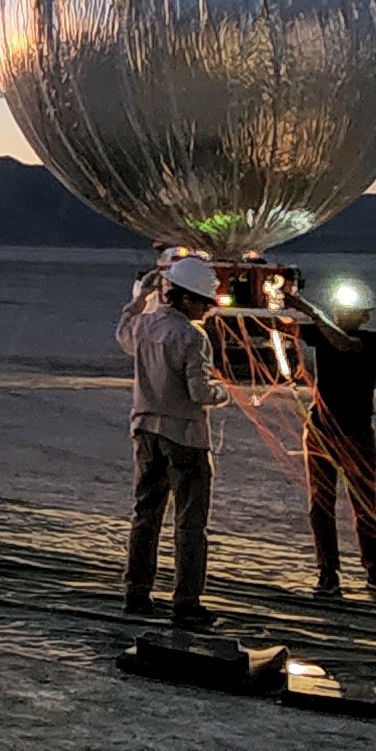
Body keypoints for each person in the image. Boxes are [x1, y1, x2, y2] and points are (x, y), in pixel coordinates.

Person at [118, 252, 232, 629]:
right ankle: (186, 601)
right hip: (184, 437)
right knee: (190, 522)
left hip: (145, 431)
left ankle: (136, 592)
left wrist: (140, 296)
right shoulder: (191, 337)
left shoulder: (144, 327)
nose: (207, 308)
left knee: (145, 514)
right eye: (203, 301)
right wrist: (222, 393)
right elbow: (198, 392)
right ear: (184, 298)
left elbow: (124, 329)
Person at [281, 274, 376, 601]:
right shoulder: (320, 332)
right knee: (320, 504)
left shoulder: (370, 341)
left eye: (349, 310)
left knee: (364, 504)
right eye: (337, 307)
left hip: (356, 435)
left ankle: (374, 571)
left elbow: (343, 345)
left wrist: (303, 306)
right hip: (320, 432)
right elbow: (280, 326)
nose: (340, 313)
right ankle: (328, 573)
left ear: (364, 316)